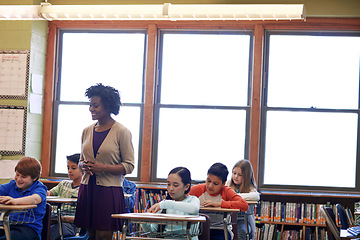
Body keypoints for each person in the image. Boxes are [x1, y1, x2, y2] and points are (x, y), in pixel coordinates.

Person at [74, 83, 135, 240]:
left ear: (108, 107)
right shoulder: (86, 131)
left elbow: (129, 166)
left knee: (103, 235)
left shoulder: (122, 131)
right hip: (88, 188)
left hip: (108, 191)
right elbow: (80, 161)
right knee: (90, 234)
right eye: (90, 105)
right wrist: (83, 166)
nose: (91, 109)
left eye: (96, 105)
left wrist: (104, 168)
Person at [189, 162, 248, 240]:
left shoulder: (226, 191)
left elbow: (244, 205)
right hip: (199, 229)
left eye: (215, 183)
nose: (210, 186)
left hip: (220, 230)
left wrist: (219, 204)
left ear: (223, 184)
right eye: (208, 181)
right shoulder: (197, 189)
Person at [143, 167, 200, 240]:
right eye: (168, 184)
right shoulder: (164, 204)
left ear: (186, 186)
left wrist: (165, 204)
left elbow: (194, 209)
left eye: (175, 185)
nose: (171, 188)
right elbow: (153, 231)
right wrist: (144, 222)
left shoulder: (192, 200)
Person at [0, 157, 47, 240]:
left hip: (28, 228)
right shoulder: (12, 185)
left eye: (23, 177)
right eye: (17, 174)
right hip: (8, 224)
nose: (18, 179)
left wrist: (14, 201)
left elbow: (35, 199)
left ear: (34, 177)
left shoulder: (39, 188)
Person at [47, 153, 83, 240]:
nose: (69, 171)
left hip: (72, 226)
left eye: (73, 168)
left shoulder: (85, 190)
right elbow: (49, 193)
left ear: (83, 169)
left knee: (50, 233)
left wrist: (64, 219)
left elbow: (83, 218)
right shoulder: (63, 184)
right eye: (68, 168)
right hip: (55, 220)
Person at [228, 160, 260, 240]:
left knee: (241, 231)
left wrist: (234, 196)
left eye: (239, 175)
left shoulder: (250, 188)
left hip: (242, 220)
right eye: (234, 173)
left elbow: (256, 196)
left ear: (246, 176)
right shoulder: (228, 184)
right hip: (228, 218)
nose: (235, 176)